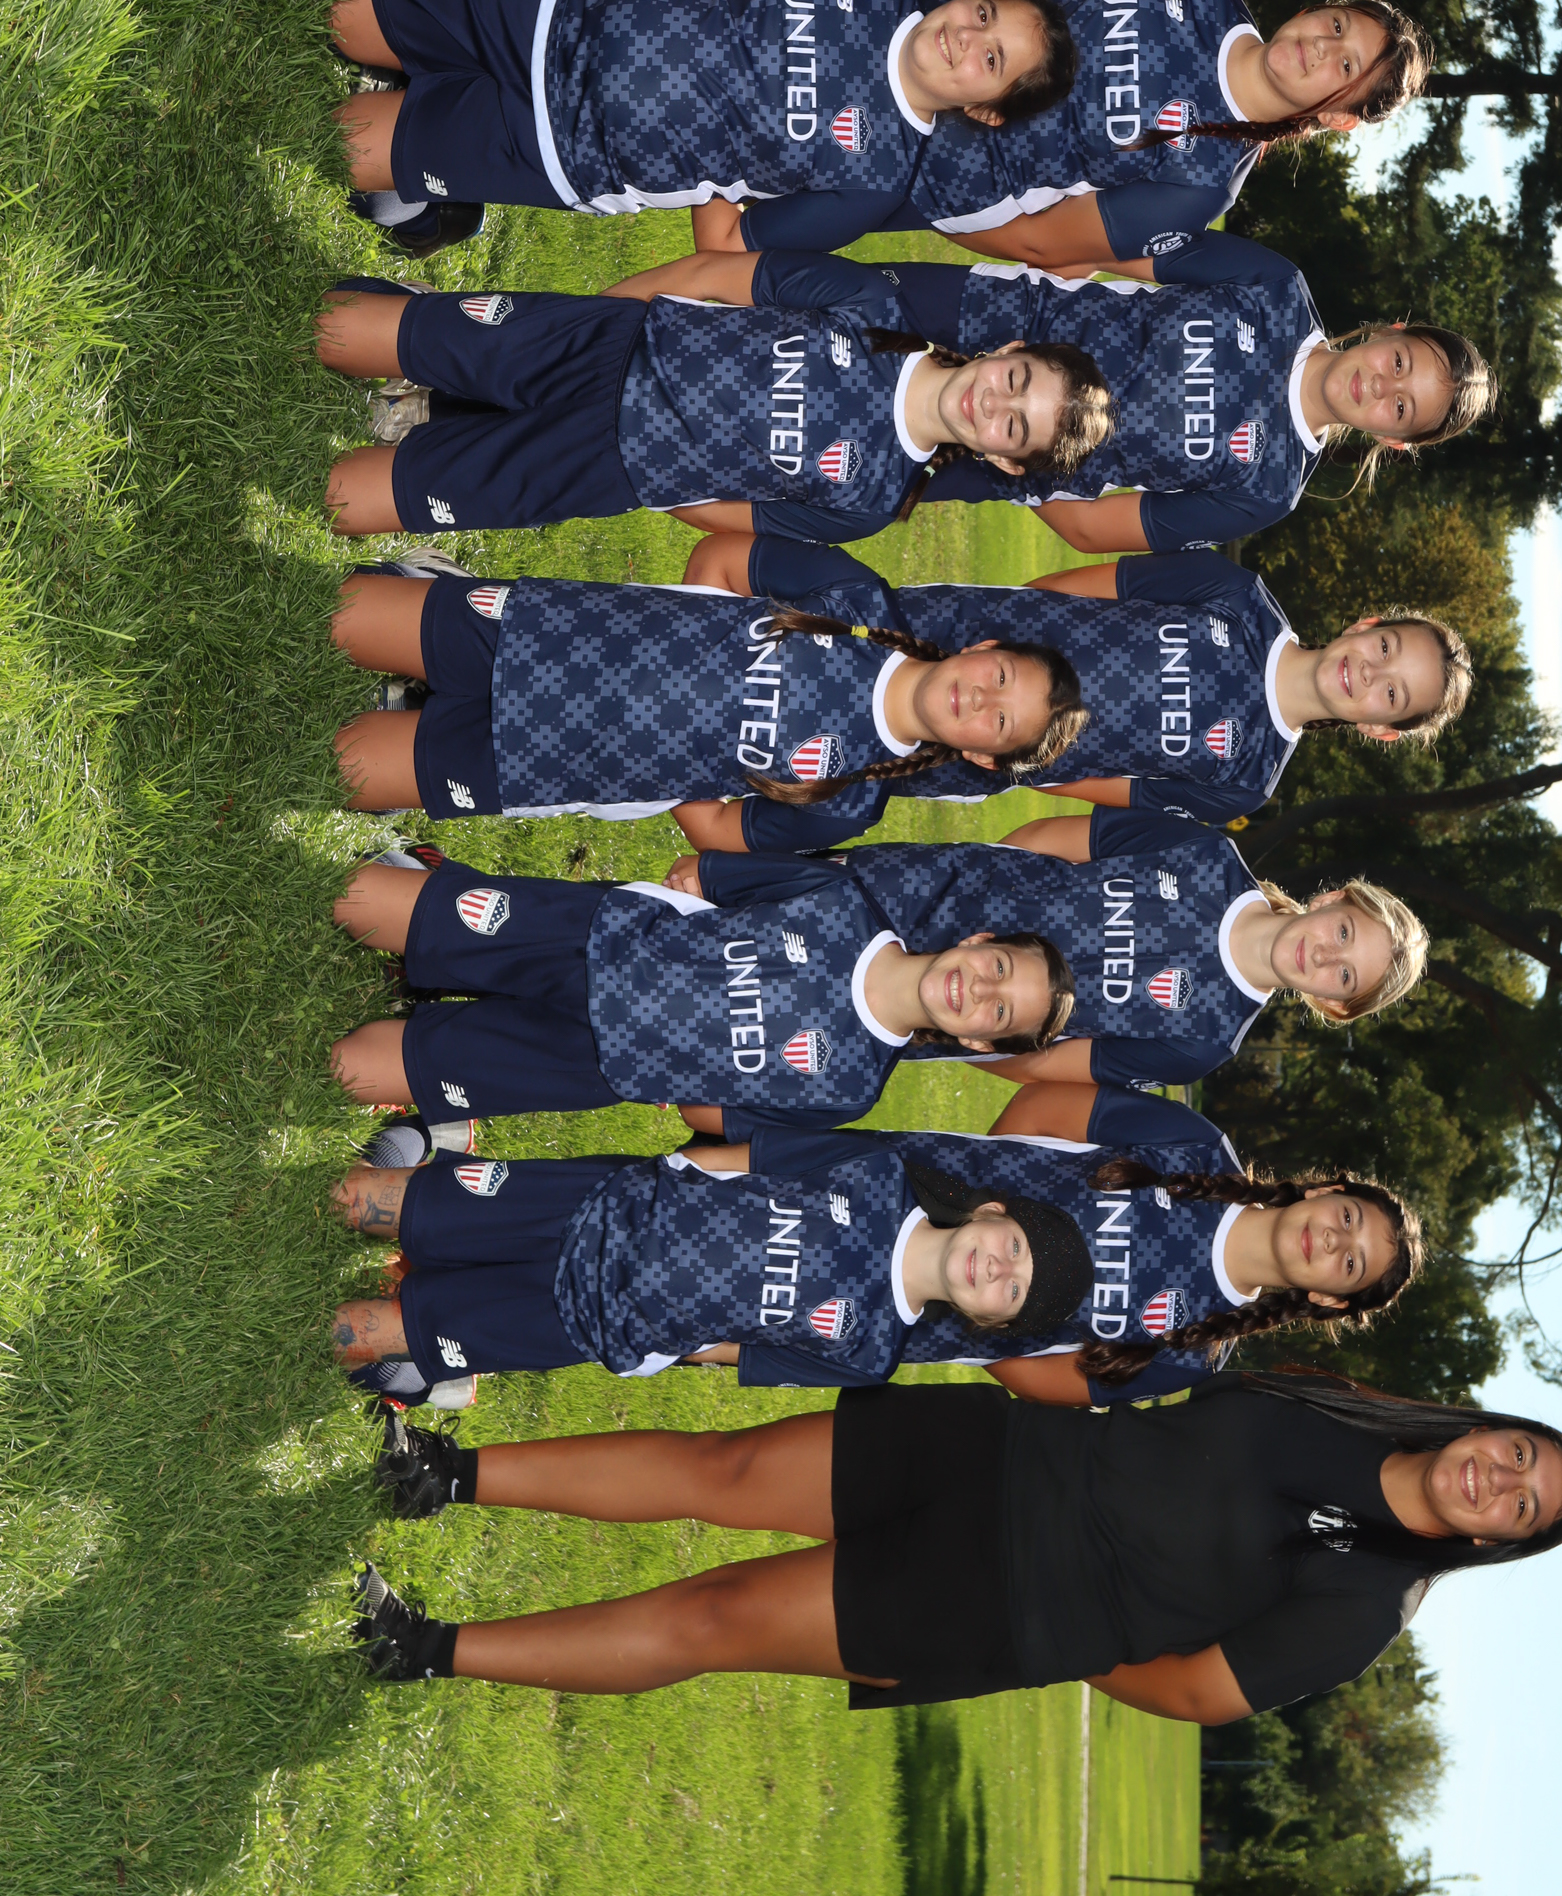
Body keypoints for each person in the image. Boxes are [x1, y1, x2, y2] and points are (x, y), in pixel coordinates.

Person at [349, 1371, 1562, 1711]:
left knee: (710, 1615)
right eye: (1517, 1454)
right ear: (1490, 1425)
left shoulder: (1367, 1601)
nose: (1498, 1481)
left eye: (1519, 1506)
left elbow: (1198, 1692)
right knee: (716, 1465)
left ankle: (422, 1648)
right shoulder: (1336, 1400)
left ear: (1499, 1543)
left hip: (999, 1599)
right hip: (990, 1452)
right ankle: (438, 1472)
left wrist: (1060, 1636)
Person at [336, 1078, 1415, 1410]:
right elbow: (1051, 1106)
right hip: (900, 1204)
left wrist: (989, 1319)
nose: (1331, 1240)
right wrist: (979, 1202)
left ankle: (442, 1332)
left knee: (667, 1302)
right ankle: (439, 1220)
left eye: (1349, 1263)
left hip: (902, 1306)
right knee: (659, 1209)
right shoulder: (1190, 1148)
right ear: (1326, 1190)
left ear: (1329, 1299)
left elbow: (1047, 1376)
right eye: (1347, 1219)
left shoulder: (1194, 1350)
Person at [327, 0, 1074, 263]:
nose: (966, 37)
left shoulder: (876, 179)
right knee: (336, 11)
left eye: (991, 61)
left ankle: (423, 197)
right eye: (984, 13)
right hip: (554, 2)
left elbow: (729, 244)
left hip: (562, 145)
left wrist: (693, 139)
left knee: (337, 139)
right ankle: (416, 132)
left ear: (987, 110)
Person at [697, 0, 1427, 272]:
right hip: (914, 36)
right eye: (1337, 26)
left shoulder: (1202, 186)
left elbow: (1039, 241)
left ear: (1337, 118)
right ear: (1317, 8)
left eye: (1344, 65)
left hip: (910, 166)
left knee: (725, 173)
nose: (1320, 47)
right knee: (732, 46)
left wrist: (932, 200)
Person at [672, 531, 1473, 840]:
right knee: (786, 645)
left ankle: (675, 773)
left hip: (970, 748)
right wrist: (993, 639)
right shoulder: (1239, 599)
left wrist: (1008, 758)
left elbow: (1089, 785)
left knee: (786, 756)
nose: (1371, 673)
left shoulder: (1245, 780)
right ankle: (684, 621)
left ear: (1380, 728)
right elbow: (1074, 595)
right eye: (1388, 649)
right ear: (1368, 623)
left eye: (1391, 694)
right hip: (960, 647)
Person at [312, 255, 1112, 544]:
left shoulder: (874, 501)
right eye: (1016, 381)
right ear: (1008, 350)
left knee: (345, 500)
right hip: (606, 347)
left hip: (604, 467)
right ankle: (432, 354)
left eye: (1015, 427)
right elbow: (714, 278)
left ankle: (436, 409)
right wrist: (594, 317)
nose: (993, 405)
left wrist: (655, 475)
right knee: (335, 328)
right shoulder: (873, 305)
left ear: (1007, 462)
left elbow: (735, 513)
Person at [326, 537, 1086, 838]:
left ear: (981, 758)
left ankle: (418, 708)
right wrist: (668, 632)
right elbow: (725, 558)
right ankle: (429, 615)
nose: (981, 699)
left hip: (546, 761)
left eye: (999, 723)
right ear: (983, 649)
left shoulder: (850, 800)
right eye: (1000, 678)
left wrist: (658, 763)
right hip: (549, 634)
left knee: (332, 767)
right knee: (330, 616)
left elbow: (722, 830)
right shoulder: (857, 599)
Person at [323, 841, 1073, 1127]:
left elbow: (714, 1116)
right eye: (998, 970)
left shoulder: (852, 1089)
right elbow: (702, 876)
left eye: (999, 1013)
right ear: (978, 942)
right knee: (349, 900)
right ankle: (435, 910)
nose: (980, 992)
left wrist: (681, 1057)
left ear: (980, 1043)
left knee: (347, 1068)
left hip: (590, 1063)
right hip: (589, 937)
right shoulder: (847, 898)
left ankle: (438, 1006)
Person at [670, 808, 1428, 1091]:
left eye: (1343, 975)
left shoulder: (1205, 1041)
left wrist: (968, 1036)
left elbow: (1047, 1062)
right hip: (920, 896)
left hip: (956, 1010)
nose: (1323, 956)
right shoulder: (1206, 856)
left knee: (766, 1023)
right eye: (1343, 934)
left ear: (1332, 1004)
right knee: (743, 918)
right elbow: (1057, 841)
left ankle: (680, 1049)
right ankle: (659, 911)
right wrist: (973, 887)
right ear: (1332, 900)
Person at [326, 1126, 1095, 1405]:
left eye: (1012, 1292)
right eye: (1014, 1250)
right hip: (596, 1206)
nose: (996, 1271)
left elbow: (740, 1351)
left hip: (595, 1319)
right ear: (994, 1213)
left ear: (988, 1320)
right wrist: (672, 1174)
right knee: (370, 1201)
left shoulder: (872, 1352)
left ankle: (367, 1345)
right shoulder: (881, 1174)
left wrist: (657, 1345)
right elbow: (757, 1159)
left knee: (369, 1330)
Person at [840, 231, 1492, 553]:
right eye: (1399, 362)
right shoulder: (1276, 289)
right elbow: (1106, 247)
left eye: (1400, 406)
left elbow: (1093, 528)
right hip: (984, 311)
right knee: (811, 312)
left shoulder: (1268, 489)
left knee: (820, 468)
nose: (1380, 384)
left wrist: (1022, 463)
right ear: (1391, 331)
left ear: (1393, 439)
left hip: (991, 451)